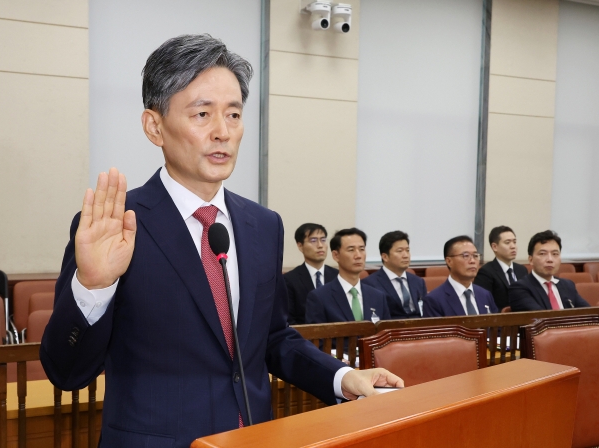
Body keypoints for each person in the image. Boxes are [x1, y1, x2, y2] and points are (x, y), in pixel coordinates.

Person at [39, 35, 402, 448]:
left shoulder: (262, 225)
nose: (222, 132)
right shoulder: (117, 226)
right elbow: (66, 373)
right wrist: (94, 288)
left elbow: (272, 338)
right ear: (154, 126)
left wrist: (342, 376)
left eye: (233, 114)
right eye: (202, 114)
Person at [306, 228, 391, 324]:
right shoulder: (319, 297)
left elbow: (386, 334)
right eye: (351, 250)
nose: (358, 255)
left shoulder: (378, 296)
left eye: (362, 249)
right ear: (336, 255)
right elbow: (317, 337)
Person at [509, 230, 590, 311]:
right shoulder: (519, 288)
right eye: (543, 254)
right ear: (531, 260)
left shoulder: (568, 285)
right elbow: (542, 318)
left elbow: (589, 313)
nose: (550, 259)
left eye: (555, 254)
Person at [423, 236, 498, 317]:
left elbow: (497, 328)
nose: (472, 261)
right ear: (449, 261)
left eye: (475, 256)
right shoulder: (434, 300)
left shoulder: (485, 295)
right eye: (465, 256)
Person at [363, 231, 426, 318]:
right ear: (385, 257)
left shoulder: (418, 282)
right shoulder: (370, 284)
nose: (406, 255)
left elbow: (425, 312)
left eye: (407, 250)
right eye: (400, 251)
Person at [284, 223, 338, 324]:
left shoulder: (338, 276)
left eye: (323, 240)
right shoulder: (290, 280)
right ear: (300, 246)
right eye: (313, 240)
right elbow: (289, 319)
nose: (320, 245)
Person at [474, 226, 528, 311]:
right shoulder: (486, 272)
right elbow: (484, 304)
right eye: (507, 243)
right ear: (495, 247)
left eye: (514, 242)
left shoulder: (521, 270)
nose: (513, 246)